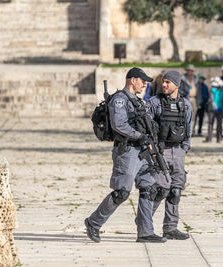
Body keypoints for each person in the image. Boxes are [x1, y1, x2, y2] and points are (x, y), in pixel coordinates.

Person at [84, 67, 167, 243]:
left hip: (143, 151)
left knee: (149, 189)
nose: (145, 84)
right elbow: (119, 125)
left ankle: (145, 232)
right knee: (121, 192)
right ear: (132, 80)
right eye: (142, 81)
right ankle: (93, 222)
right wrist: (140, 136)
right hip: (127, 151)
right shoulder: (120, 100)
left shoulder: (137, 101)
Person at [146, 70, 193, 240]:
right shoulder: (154, 103)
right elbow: (146, 128)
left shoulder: (186, 105)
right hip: (161, 151)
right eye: (163, 82)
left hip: (178, 152)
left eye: (167, 82)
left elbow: (189, 127)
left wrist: (184, 149)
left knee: (175, 191)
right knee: (160, 189)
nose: (164, 85)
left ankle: (170, 227)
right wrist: (153, 150)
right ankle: (144, 223)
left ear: (177, 84)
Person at [205, 77, 223, 143]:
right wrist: (222, 107)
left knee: (211, 124)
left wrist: (215, 107)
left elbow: (211, 100)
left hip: (212, 109)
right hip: (220, 109)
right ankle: (219, 139)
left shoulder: (212, 89)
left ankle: (209, 139)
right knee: (219, 124)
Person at [181, 64, 199, 135]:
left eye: (191, 71)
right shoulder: (183, 79)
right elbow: (180, 89)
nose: (190, 72)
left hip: (194, 99)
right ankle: (186, 131)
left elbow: (199, 90)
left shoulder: (196, 79)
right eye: (189, 70)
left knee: (194, 116)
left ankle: (193, 130)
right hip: (187, 99)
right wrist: (184, 94)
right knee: (186, 115)